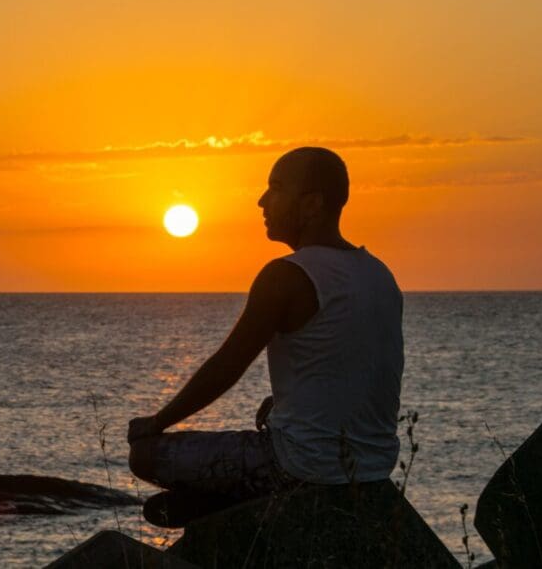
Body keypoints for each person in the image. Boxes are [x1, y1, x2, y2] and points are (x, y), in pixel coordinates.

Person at [126, 146, 404, 525]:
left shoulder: (286, 275)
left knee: (144, 456)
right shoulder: (378, 274)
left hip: (299, 466)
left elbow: (228, 365)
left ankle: (231, 513)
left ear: (311, 205)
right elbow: (353, 367)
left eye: (275, 188)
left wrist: (157, 421)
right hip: (372, 468)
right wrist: (283, 404)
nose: (261, 201)